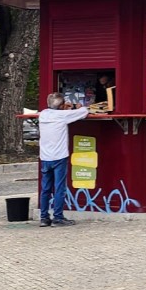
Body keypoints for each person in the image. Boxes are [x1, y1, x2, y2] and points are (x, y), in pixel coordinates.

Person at [37, 93, 104, 226]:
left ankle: (44, 217)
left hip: (45, 157)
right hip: (59, 157)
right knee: (59, 188)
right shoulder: (63, 116)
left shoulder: (43, 114)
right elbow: (84, 111)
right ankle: (58, 217)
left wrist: (66, 107)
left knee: (45, 188)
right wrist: (74, 106)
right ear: (62, 106)